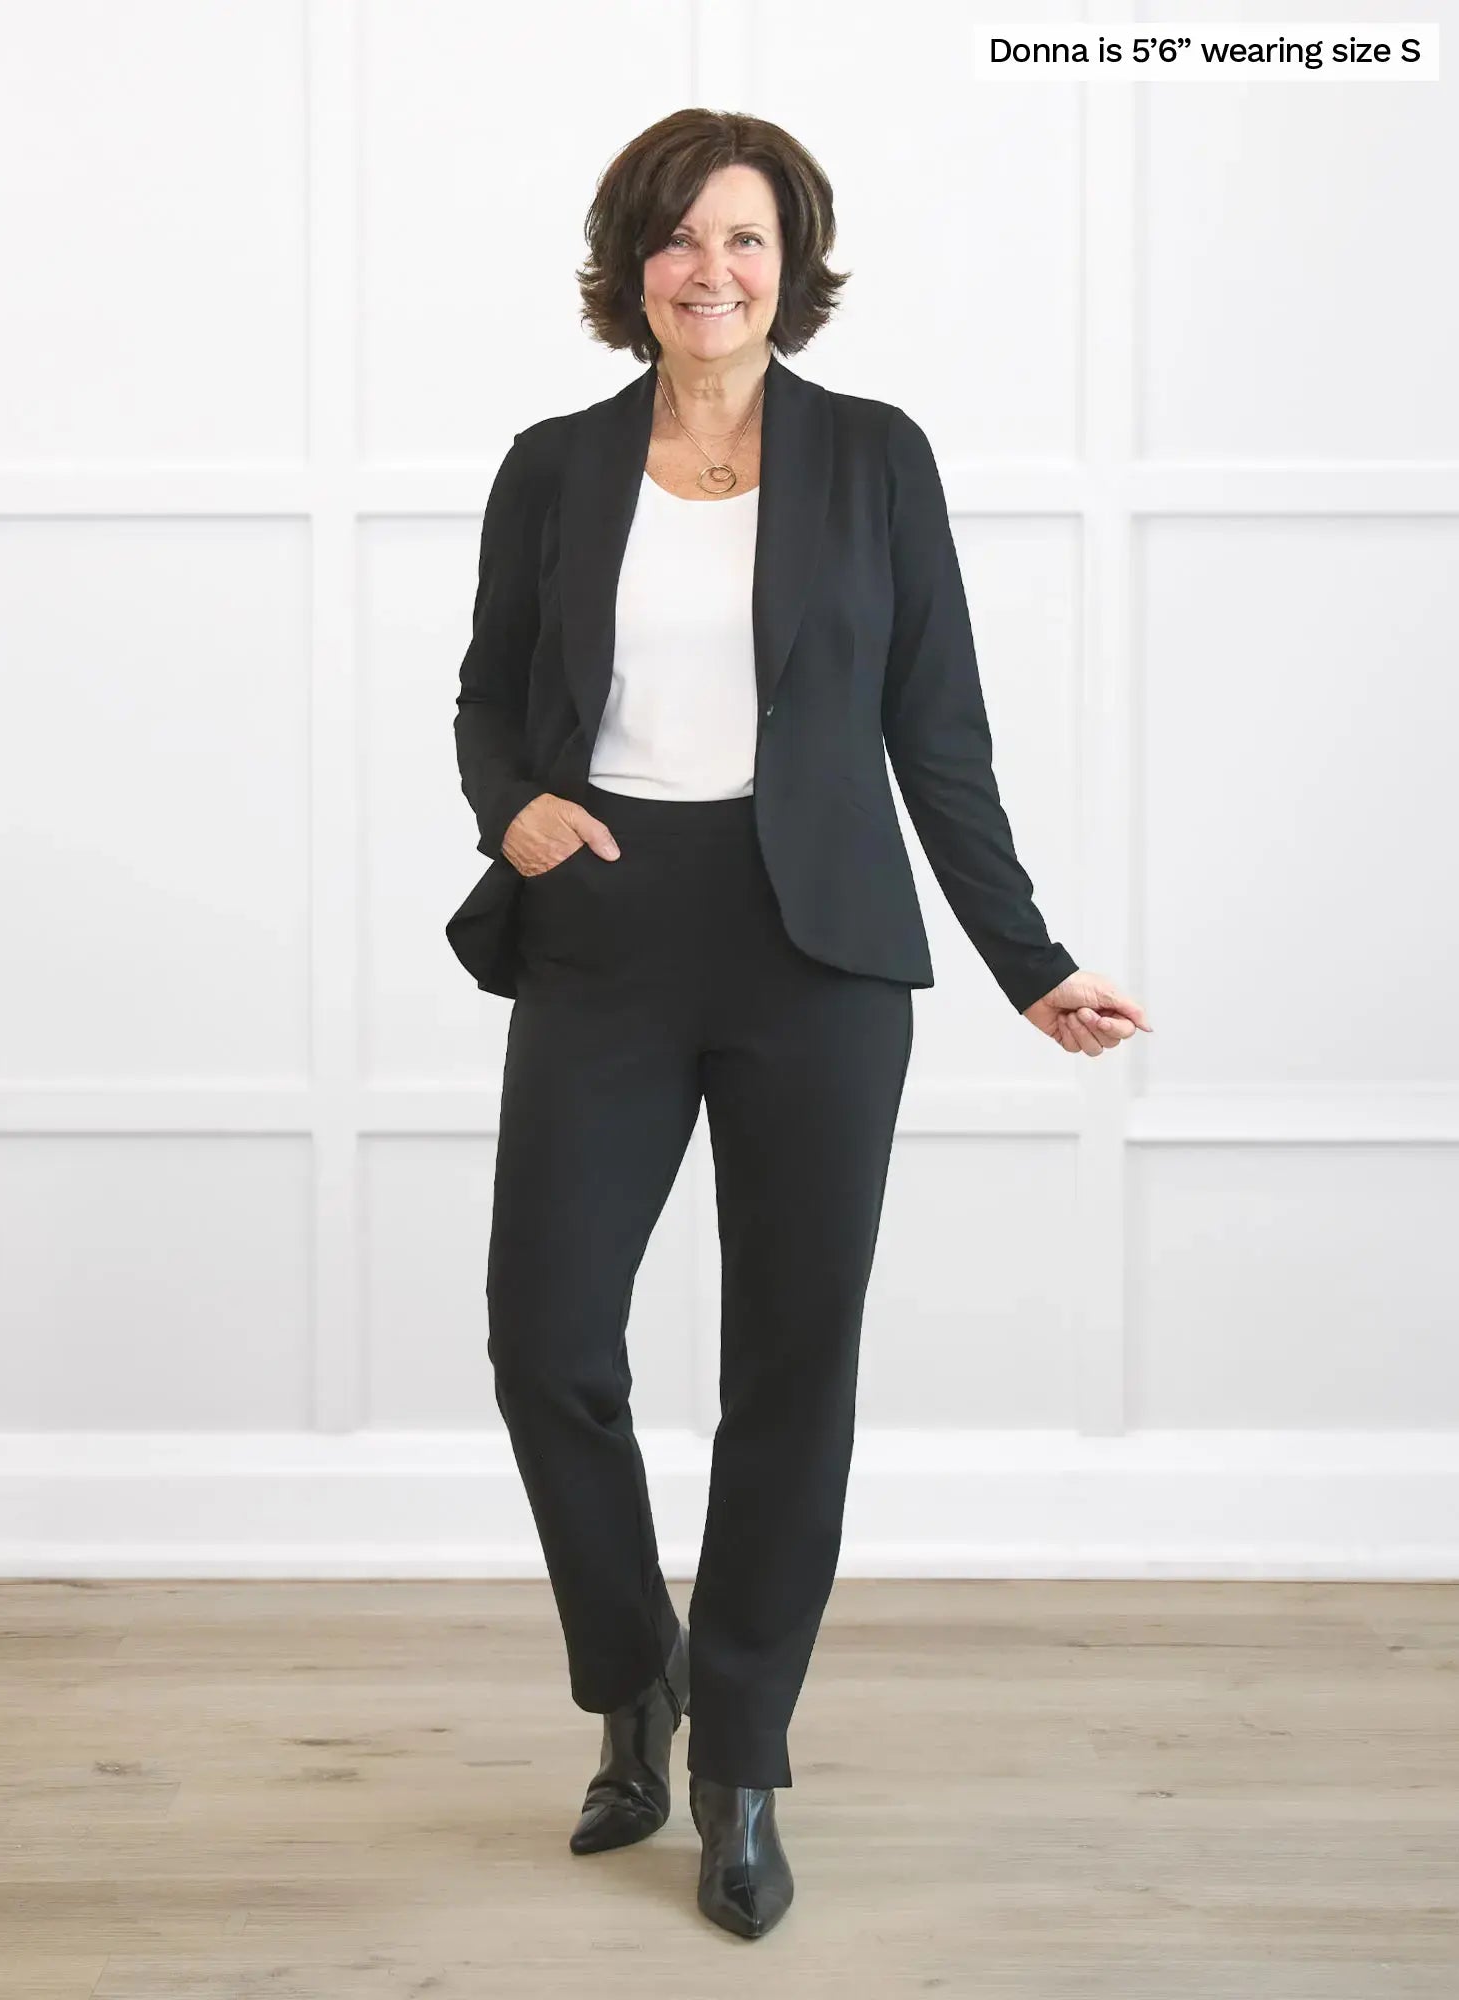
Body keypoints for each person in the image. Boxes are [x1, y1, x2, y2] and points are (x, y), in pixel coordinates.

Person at [446, 109, 1151, 1941]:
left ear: (793, 265)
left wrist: (1028, 957)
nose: (713, 270)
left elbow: (942, 734)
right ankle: (637, 1682)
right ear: (633, 265)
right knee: (543, 1334)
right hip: (605, 927)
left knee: (792, 1365)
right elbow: (483, 708)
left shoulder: (873, 462)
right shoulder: (551, 465)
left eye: (746, 240)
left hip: (819, 953)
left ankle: (741, 1758)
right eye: (680, 240)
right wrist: (509, 806)